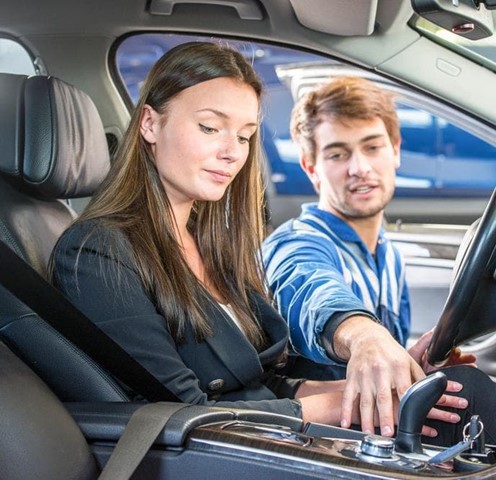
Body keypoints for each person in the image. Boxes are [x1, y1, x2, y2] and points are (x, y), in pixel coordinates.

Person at [49, 42, 358, 427]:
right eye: (210, 127)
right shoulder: (96, 251)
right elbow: (180, 413)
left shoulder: (210, 241)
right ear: (150, 123)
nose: (232, 152)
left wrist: (371, 388)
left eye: (244, 136)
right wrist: (340, 408)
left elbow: (256, 383)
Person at [262, 76, 496, 445]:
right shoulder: (297, 243)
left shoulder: (387, 253)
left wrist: (408, 366)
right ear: (311, 168)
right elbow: (309, 288)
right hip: (320, 441)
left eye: (372, 147)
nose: (359, 167)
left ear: (396, 150)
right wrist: (364, 336)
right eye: (338, 154)